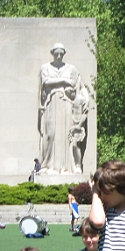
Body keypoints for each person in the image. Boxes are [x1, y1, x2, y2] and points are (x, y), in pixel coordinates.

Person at [38, 43, 89, 174]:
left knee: (67, 137)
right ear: (52, 53)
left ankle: (67, 167)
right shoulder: (46, 68)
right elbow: (46, 82)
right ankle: (48, 165)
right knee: (50, 134)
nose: (59, 56)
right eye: (57, 53)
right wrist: (65, 82)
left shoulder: (71, 69)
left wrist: (87, 98)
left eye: (61, 53)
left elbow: (82, 86)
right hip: (51, 104)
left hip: (66, 104)